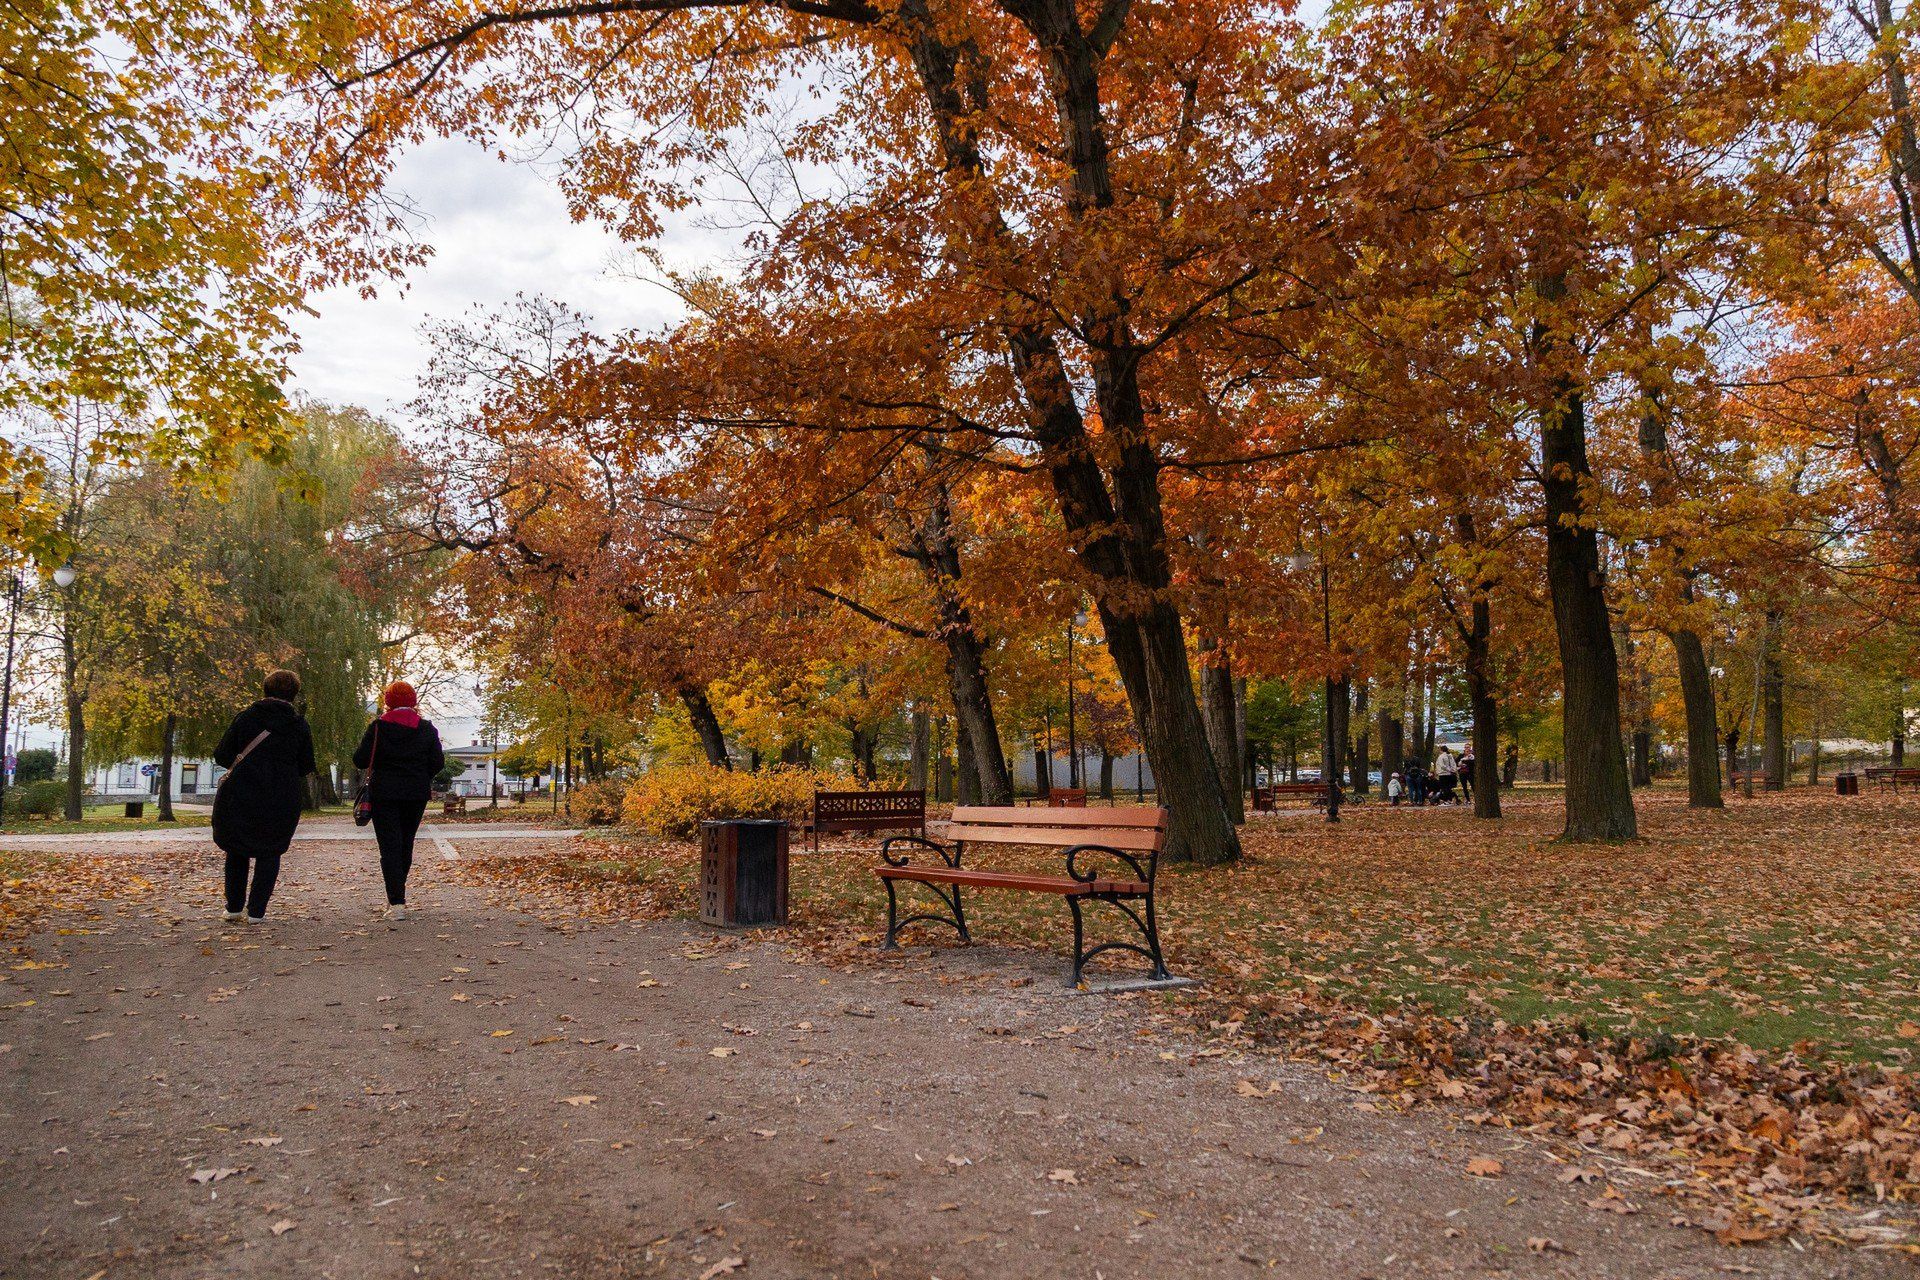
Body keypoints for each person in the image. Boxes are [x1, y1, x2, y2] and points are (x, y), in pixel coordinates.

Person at [211, 670, 317, 922]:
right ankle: (257, 911)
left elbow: (223, 755)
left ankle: (234, 907)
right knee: (270, 850)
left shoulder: (246, 718)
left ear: (265, 690)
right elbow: (306, 765)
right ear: (294, 694)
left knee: (237, 849)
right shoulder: (298, 724)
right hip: (281, 795)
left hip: (242, 793)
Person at [352, 681, 445, 921]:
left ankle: (396, 902)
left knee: (389, 846)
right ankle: (398, 894)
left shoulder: (378, 728)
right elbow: (438, 763)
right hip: (415, 794)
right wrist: (420, 775)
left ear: (388, 701)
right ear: (413, 701)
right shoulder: (426, 728)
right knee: (406, 842)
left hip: (384, 794)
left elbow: (360, 760)